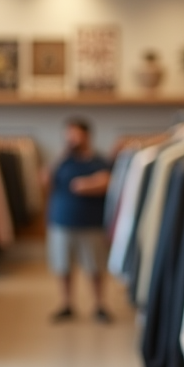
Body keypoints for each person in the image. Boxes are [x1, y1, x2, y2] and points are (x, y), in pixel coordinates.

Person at [46, 117, 112, 323]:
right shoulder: (62, 161)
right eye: (68, 133)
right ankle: (67, 304)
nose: (70, 138)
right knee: (63, 266)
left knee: (95, 267)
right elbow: (44, 180)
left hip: (91, 224)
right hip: (61, 223)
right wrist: (61, 156)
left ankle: (99, 305)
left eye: (74, 133)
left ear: (86, 135)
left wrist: (86, 185)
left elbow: (106, 182)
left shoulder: (98, 160)